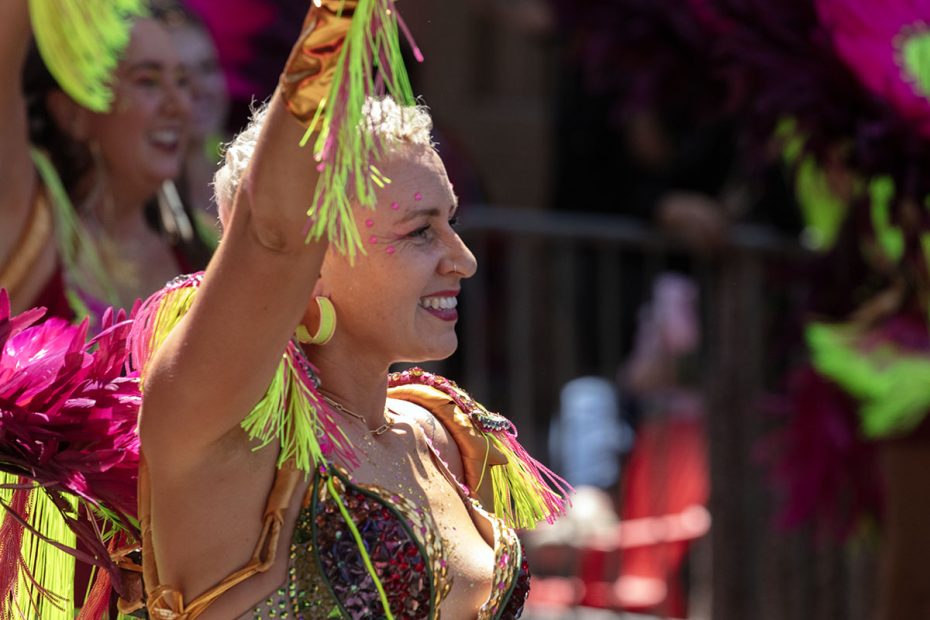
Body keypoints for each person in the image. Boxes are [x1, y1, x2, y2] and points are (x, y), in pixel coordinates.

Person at [130, 2, 565, 618]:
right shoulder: (222, 430)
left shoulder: (439, 432)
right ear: (311, 262)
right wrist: (339, 17)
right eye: (420, 231)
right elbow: (270, 235)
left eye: (453, 222)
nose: (462, 260)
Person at [0, 1, 205, 322]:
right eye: (147, 81)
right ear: (72, 113)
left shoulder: (210, 244)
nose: (179, 105)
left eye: (181, 82)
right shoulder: (30, 220)